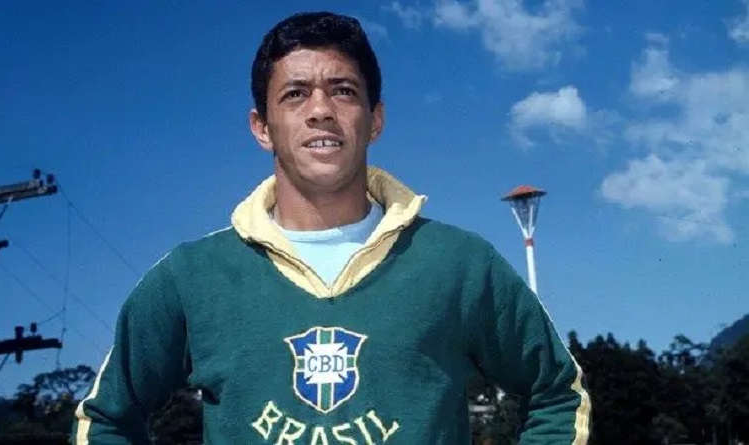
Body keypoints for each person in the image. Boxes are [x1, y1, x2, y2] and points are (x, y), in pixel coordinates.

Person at [71, 11, 591, 445]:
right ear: (261, 128)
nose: (320, 110)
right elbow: (106, 419)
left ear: (374, 119)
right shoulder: (191, 277)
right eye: (295, 94)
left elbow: (558, 393)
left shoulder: (458, 263)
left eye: (342, 91)